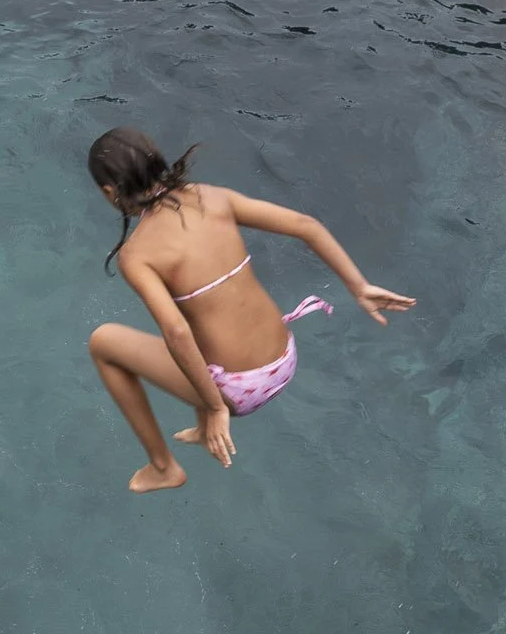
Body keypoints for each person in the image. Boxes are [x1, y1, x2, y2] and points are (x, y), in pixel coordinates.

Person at [83, 128, 413, 493]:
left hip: (238, 390)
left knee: (105, 343)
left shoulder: (137, 255)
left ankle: (163, 467)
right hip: (285, 357)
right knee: (206, 319)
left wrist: (216, 408)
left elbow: (176, 333)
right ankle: (205, 415)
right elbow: (306, 225)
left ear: (110, 192)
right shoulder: (209, 196)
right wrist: (359, 287)